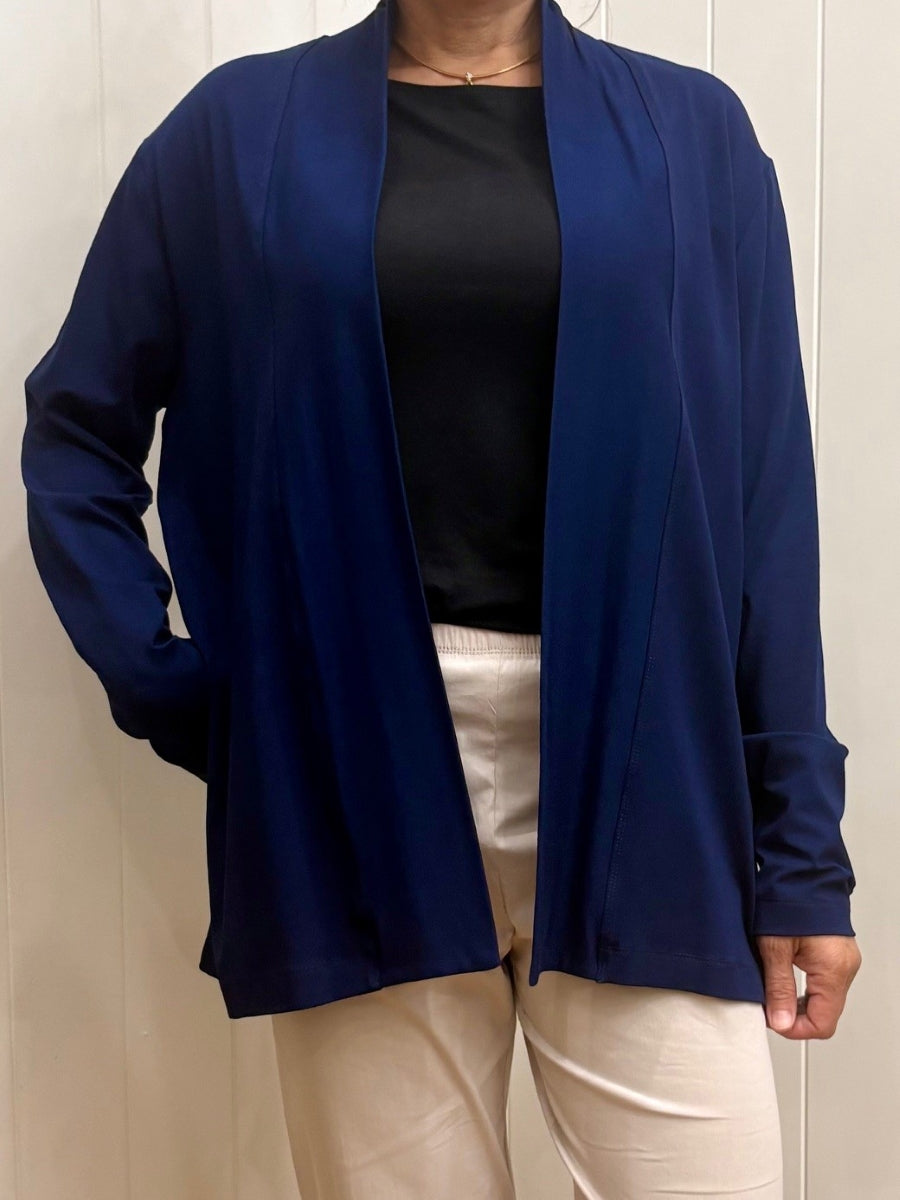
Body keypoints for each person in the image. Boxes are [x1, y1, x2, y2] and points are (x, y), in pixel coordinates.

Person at [20, 0, 861, 1194]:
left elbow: (767, 502)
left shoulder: (695, 134)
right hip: (352, 775)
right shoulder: (236, 134)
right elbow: (77, 433)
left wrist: (802, 853)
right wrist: (185, 690)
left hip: (647, 775)